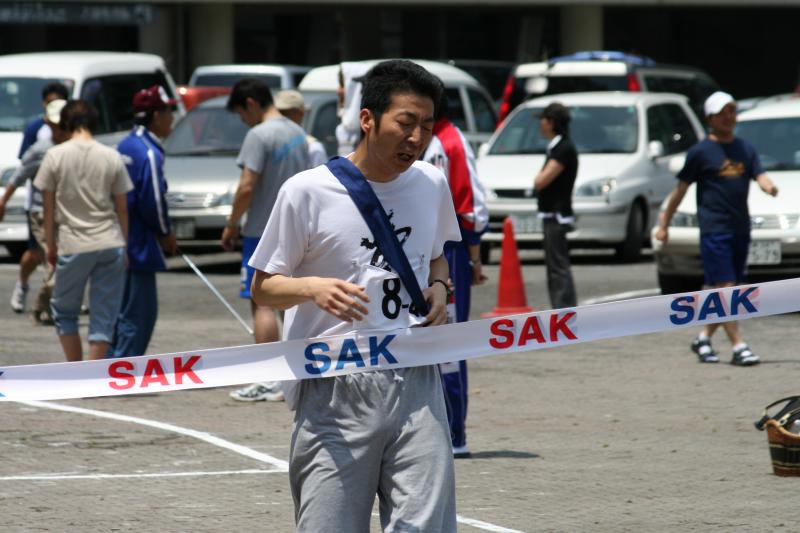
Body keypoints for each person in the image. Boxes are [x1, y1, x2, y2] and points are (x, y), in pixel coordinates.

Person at [249, 59, 460, 532]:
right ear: (368, 119)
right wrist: (313, 287)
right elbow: (263, 286)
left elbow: (437, 256)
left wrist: (441, 288)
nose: (417, 138)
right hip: (334, 384)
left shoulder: (430, 183)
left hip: (417, 378)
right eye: (405, 123)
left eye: (427, 126)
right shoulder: (307, 192)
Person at [655, 91, 778, 366]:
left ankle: (703, 338)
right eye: (722, 113)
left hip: (740, 228)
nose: (728, 117)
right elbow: (679, 190)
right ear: (709, 118)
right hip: (714, 229)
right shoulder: (700, 152)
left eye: (731, 111)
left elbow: (759, 173)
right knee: (726, 288)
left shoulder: (745, 148)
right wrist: (664, 225)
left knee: (730, 291)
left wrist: (768, 186)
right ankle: (738, 346)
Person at [222, 78, 310, 402]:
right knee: (291, 302)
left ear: (251, 104)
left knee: (261, 300)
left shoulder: (258, 134)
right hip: (297, 228)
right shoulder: (298, 133)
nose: (243, 121)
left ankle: (269, 378)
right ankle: (293, 374)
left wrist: (231, 224)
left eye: (241, 114)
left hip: (261, 229)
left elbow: (247, 186)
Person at [33, 100, 133, 362]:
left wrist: (50, 245)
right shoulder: (111, 155)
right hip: (110, 240)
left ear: (65, 123)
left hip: (73, 242)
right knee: (104, 315)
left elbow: (48, 207)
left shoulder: (55, 155)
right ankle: (94, 373)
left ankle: (76, 369)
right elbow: (122, 208)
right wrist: (124, 245)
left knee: (64, 311)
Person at [423, 92, 489, 459]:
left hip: (449, 247)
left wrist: (473, 257)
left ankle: (454, 433)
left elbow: (471, 206)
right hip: (428, 244)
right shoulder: (433, 139)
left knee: (448, 339)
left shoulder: (449, 142)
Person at [108, 86, 178, 358]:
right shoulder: (149, 152)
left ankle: (109, 363)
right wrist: (165, 233)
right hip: (139, 245)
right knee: (139, 315)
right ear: (156, 115)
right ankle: (123, 368)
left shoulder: (125, 145)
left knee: (119, 311)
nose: (172, 118)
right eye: (169, 111)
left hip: (119, 239)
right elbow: (153, 200)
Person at [0, 99, 69, 324]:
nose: (62, 129)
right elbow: (18, 176)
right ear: (49, 124)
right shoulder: (40, 150)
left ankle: (47, 305)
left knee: (64, 261)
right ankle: (45, 306)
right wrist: (3, 202)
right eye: (58, 125)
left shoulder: (72, 147)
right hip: (41, 213)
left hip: (66, 214)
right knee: (52, 260)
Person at [533, 102, 579, 309]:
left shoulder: (563, 149)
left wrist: (537, 179)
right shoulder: (557, 147)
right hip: (551, 213)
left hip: (557, 213)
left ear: (551, 122)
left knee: (558, 265)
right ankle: (559, 307)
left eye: (543, 120)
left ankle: (564, 308)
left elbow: (541, 180)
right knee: (554, 264)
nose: (541, 124)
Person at [274, 89, 328, 167]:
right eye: (279, 112)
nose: (281, 117)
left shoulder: (313, 148)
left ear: (301, 114)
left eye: (287, 113)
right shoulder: (269, 144)